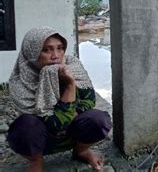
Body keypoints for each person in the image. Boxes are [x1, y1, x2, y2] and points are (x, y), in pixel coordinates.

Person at [7, 26, 112, 171]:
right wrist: (70, 88)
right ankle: (36, 162)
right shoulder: (20, 82)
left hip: (73, 135)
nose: (55, 55)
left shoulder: (72, 66)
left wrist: (70, 85)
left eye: (60, 48)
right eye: (46, 50)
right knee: (24, 127)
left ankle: (81, 151)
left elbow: (89, 100)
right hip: (43, 140)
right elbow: (53, 125)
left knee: (98, 119)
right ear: (31, 53)